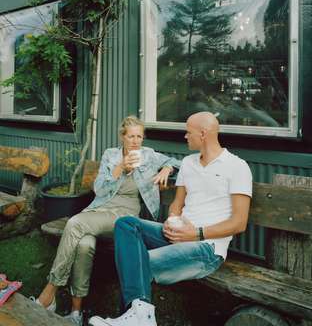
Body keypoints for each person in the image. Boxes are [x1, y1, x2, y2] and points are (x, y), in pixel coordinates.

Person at [89, 111, 252, 326]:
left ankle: (138, 318)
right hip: (178, 235)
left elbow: (239, 223)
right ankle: (139, 318)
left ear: (203, 134)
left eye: (188, 132)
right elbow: (177, 204)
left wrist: (196, 233)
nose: (185, 136)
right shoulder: (188, 162)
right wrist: (173, 219)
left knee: (136, 263)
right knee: (126, 224)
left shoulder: (237, 167)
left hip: (207, 247)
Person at [32, 115, 180, 326]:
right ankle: (76, 313)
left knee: (75, 223)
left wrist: (167, 168)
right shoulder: (111, 155)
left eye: (139, 136)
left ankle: (50, 291)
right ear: (122, 137)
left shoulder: (149, 156)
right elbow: (99, 189)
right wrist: (119, 169)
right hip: (100, 210)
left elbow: (178, 162)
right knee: (84, 244)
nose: (136, 141)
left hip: (124, 218)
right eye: (131, 137)